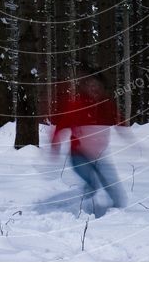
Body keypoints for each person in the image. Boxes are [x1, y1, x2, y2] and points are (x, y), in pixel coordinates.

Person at [50, 66, 128, 217]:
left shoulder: (106, 106)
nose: (94, 89)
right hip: (78, 155)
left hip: (99, 157)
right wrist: (55, 147)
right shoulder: (77, 105)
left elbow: (120, 122)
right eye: (90, 85)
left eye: (97, 86)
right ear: (85, 87)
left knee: (116, 193)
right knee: (92, 186)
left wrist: (132, 141)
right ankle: (72, 213)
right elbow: (61, 126)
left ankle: (117, 217)